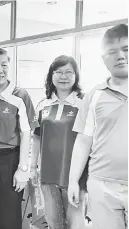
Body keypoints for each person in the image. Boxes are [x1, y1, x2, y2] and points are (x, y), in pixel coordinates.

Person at [68, 24, 128, 229]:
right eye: (113, 52)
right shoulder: (95, 95)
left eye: (126, 49)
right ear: (104, 59)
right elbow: (83, 141)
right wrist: (73, 181)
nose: (120, 56)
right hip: (102, 185)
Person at [0, 48, 38, 229]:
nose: (0, 70)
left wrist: (23, 169)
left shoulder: (20, 96)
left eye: (4, 65)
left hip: (9, 162)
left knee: (8, 217)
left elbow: (26, 133)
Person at [30, 55, 88, 229]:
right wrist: (33, 167)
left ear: (76, 76)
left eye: (69, 72)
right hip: (48, 176)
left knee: (75, 224)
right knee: (54, 223)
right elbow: (37, 136)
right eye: (59, 72)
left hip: (76, 177)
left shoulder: (83, 103)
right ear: (51, 75)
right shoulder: (43, 104)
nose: (64, 77)